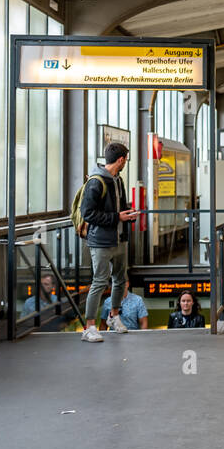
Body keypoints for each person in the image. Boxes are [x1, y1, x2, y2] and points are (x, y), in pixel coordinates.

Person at [80, 142, 137, 343]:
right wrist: (117, 218)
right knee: (99, 282)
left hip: (119, 239)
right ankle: (89, 327)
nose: (125, 163)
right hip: (101, 242)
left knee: (120, 279)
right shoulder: (96, 182)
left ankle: (114, 317)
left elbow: (121, 206)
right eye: (126, 160)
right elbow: (87, 213)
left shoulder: (117, 180)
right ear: (120, 160)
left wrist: (128, 214)